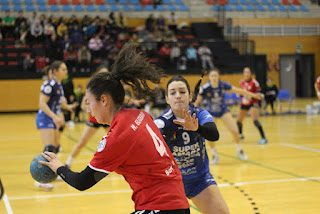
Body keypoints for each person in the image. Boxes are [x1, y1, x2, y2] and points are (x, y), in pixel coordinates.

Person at [40, 42, 190, 214]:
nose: (87, 109)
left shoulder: (118, 137)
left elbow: (82, 182)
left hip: (161, 207)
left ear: (104, 100)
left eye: (89, 102)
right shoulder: (140, 115)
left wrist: (59, 167)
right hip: (177, 202)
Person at [154, 76, 229, 214]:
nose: (178, 96)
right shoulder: (161, 123)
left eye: (182, 92)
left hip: (199, 180)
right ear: (167, 99)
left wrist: (197, 128)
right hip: (170, 183)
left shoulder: (199, 114)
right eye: (173, 93)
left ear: (190, 96)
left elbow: (214, 135)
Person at [194, 69, 264, 164]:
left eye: (215, 76)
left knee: (235, 131)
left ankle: (239, 150)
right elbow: (197, 102)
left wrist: (254, 95)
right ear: (209, 77)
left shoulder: (223, 85)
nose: (214, 78)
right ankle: (215, 155)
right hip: (211, 112)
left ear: (218, 76)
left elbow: (239, 90)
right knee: (209, 135)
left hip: (223, 111)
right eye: (212, 76)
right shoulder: (205, 88)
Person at [35, 61, 75, 189]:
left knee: (56, 147)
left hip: (52, 119)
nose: (66, 71)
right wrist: (55, 117)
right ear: (55, 71)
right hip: (45, 118)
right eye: (63, 69)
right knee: (49, 148)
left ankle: (52, 172)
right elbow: (42, 103)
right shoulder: (49, 85)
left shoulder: (59, 85)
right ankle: (41, 179)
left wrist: (67, 107)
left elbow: (60, 102)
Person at [237, 67, 267, 145]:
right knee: (238, 120)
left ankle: (263, 138)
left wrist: (252, 96)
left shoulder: (254, 82)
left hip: (253, 103)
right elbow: (242, 93)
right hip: (244, 103)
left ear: (250, 74)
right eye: (245, 72)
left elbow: (259, 94)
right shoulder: (242, 82)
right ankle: (240, 135)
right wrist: (239, 94)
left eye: (248, 72)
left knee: (255, 120)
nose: (246, 74)